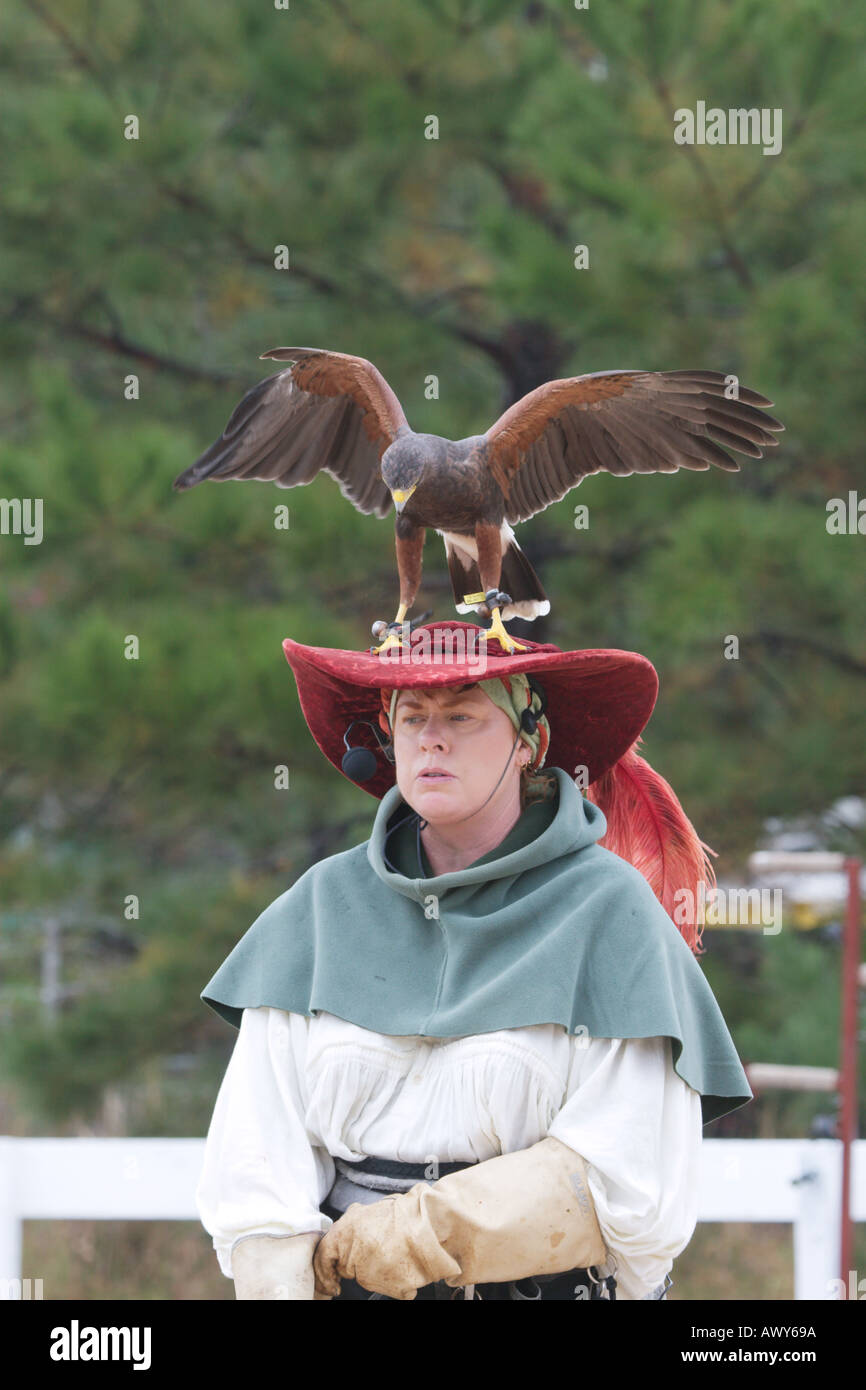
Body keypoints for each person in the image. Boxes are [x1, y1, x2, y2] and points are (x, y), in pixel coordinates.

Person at [195, 620, 752, 1301]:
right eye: (412, 717)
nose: (433, 738)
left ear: (529, 742)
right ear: (387, 736)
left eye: (462, 715)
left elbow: (624, 1182)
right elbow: (259, 1168)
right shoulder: (318, 907)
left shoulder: (610, 913)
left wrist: (423, 1232)